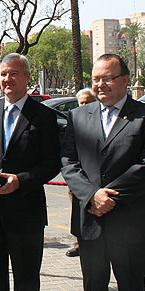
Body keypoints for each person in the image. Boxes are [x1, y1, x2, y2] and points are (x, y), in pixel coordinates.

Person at [61, 54, 145, 291]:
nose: (100, 84)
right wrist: (91, 197)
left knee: (132, 286)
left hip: (131, 224)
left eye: (108, 78)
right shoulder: (77, 116)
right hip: (90, 221)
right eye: (96, 79)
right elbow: (68, 161)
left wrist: (109, 197)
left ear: (126, 79)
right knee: (94, 287)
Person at [0, 53, 60, 291]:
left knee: (27, 279)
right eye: (3, 74)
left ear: (28, 78)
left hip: (27, 214)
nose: (7, 79)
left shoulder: (44, 116)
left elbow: (52, 162)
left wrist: (21, 181)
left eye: (14, 73)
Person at [65, 87, 97, 258]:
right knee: (77, 211)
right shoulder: (74, 120)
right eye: (81, 102)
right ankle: (78, 243)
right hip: (77, 178)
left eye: (88, 102)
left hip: (97, 180)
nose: (84, 105)